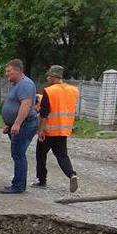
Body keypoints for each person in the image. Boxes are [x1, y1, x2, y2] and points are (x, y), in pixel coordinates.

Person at [33, 65, 81, 193]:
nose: (47, 77)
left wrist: (40, 130)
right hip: (64, 129)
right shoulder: (73, 90)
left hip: (49, 129)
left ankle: (41, 180)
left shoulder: (49, 91)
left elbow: (44, 113)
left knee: (41, 155)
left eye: (49, 75)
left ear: (54, 77)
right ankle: (72, 174)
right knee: (62, 155)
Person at [0, 59, 38, 194]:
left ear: (18, 70)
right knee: (17, 153)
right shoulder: (18, 84)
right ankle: (18, 183)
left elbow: (26, 105)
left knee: (18, 154)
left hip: (25, 124)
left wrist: (17, 123)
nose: (6, 74)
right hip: (19, 124)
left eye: (8, 71)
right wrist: (10, 125)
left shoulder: (25, 84)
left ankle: (19, 186)